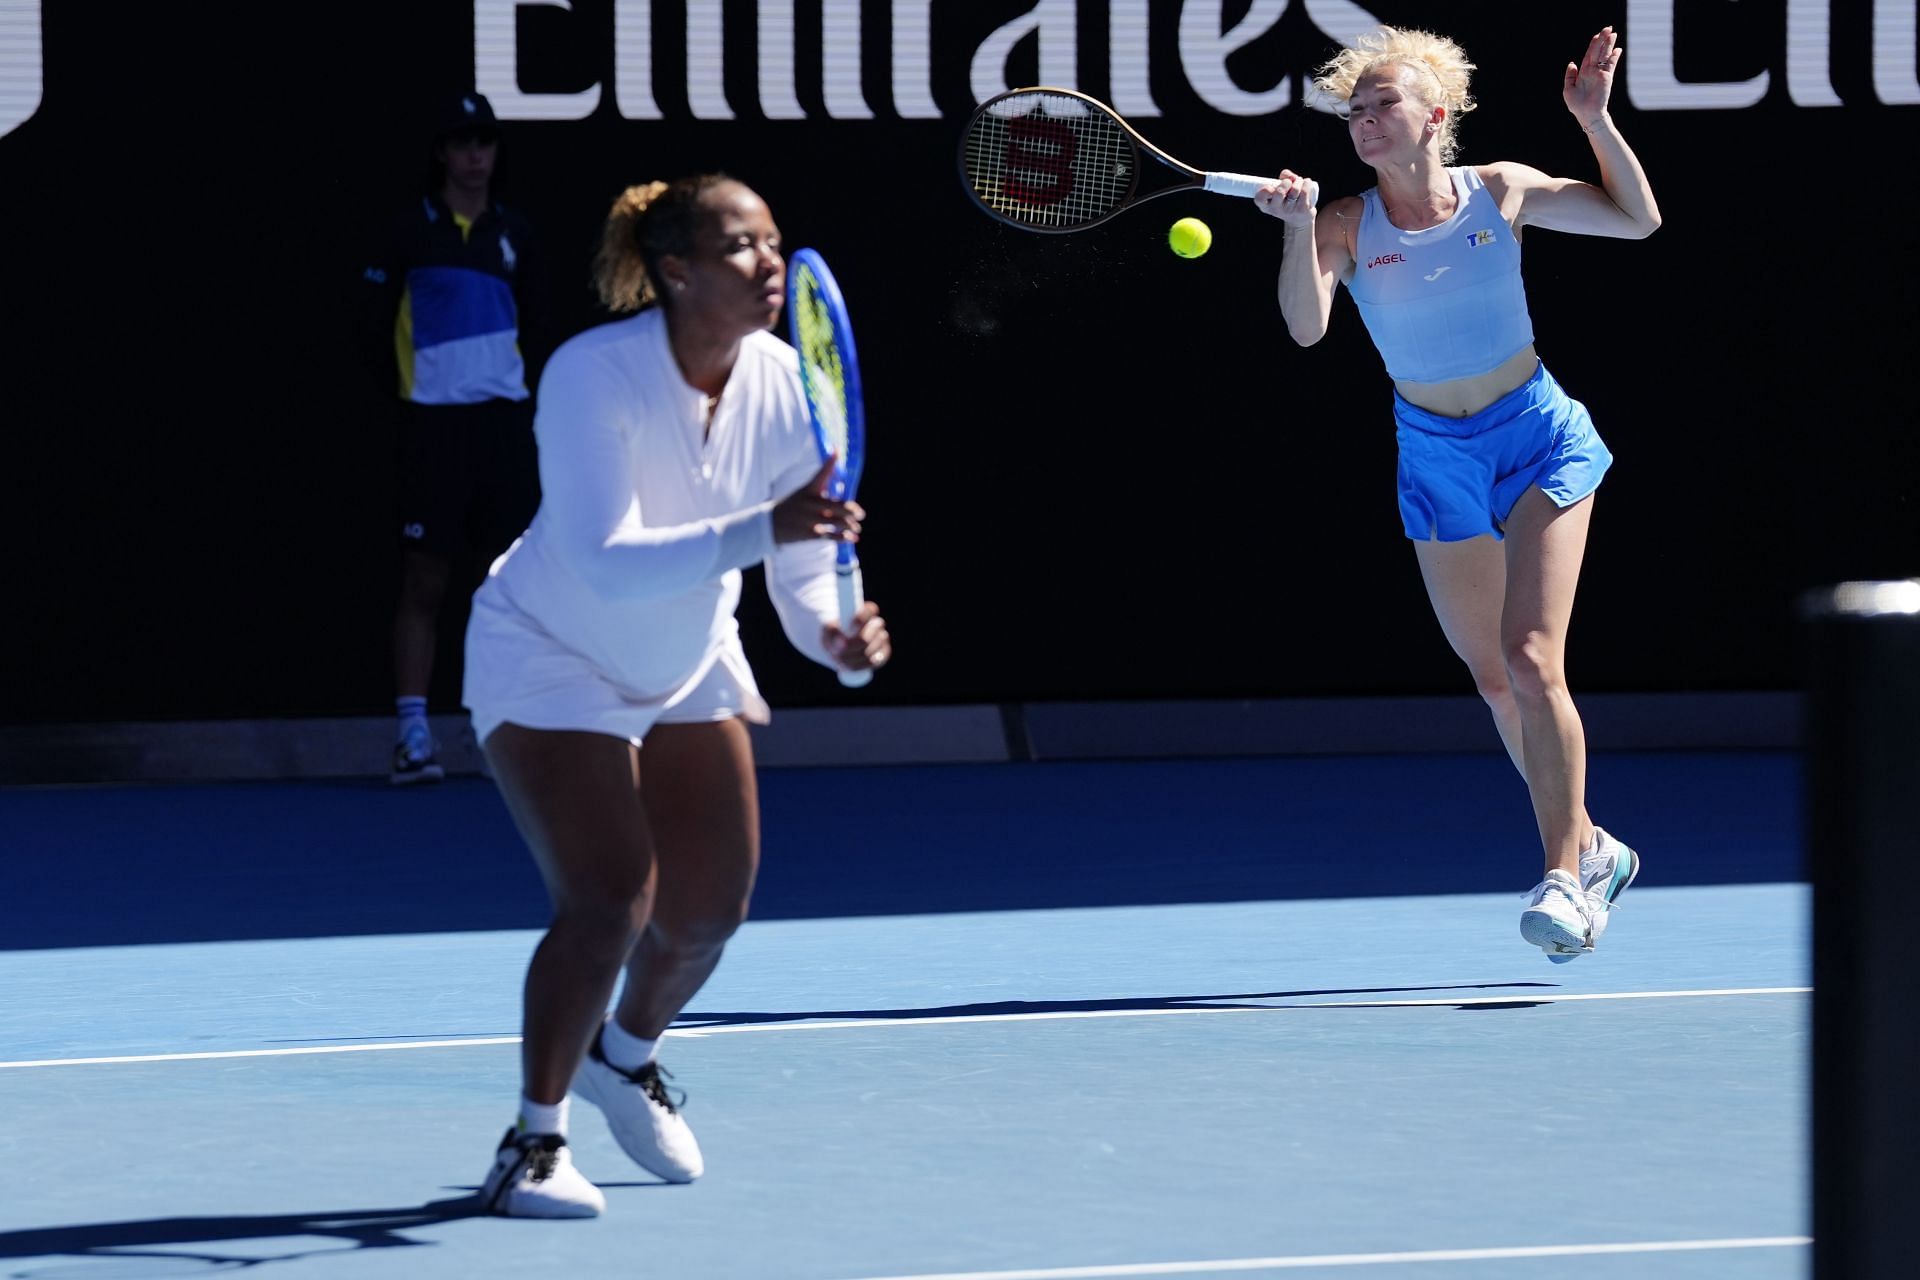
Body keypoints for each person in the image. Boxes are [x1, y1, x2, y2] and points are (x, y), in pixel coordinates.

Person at [463, 174, 892, 1217]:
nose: (768, 263)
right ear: (674, 270)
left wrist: (838, 641)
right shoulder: (589, 375)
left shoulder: (792, 385)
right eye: (741, 247)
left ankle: (627, 1056)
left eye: (775, 242)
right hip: (549, 646)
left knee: (708, 911)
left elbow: (797, 585)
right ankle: (533, 1141)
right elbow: (604, 561)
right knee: (612, 897)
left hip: (688, 652)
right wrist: (769, 528)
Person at [1253, 25, 1660, 960]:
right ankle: (1595, 844)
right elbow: (1308, 328)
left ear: (1435, 115)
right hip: (1434, 453)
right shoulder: (1346, 223)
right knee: (1493, 681)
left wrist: (1596, 123)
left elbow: (1635, 219)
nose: (1362, 122)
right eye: (1353, 112)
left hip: (1536, 438)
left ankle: (1566, 877)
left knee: (1530, 657)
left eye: (1381, 104)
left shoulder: (1501, 191)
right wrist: (1295, 233)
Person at [359, 91, 548, 784]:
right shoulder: (408, 232)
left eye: (486, 143)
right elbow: (374, 336)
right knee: (425, 580)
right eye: (464, 143)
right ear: (442, 152)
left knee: (511, 586)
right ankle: (414, 732)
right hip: (431, 429)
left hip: (501, 428)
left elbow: (536, 329)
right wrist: (414, 403)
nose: (476, 155)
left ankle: (513, 734)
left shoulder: (516, 234)